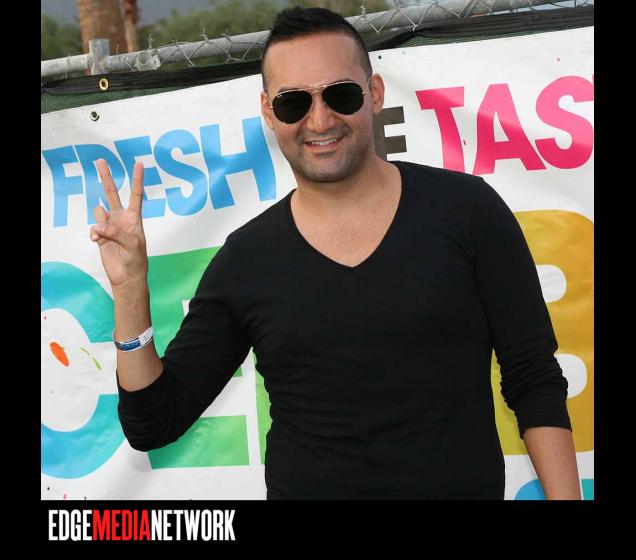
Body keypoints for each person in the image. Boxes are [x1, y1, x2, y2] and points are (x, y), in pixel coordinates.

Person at [89, 7, 581, 499]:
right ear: (268, 111)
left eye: (340, 94)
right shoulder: (246, 260)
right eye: (293, 102)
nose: (320, 119)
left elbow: (533, 380)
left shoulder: (468, 212)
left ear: (375, 94)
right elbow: (154, 423)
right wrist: (129, 290)